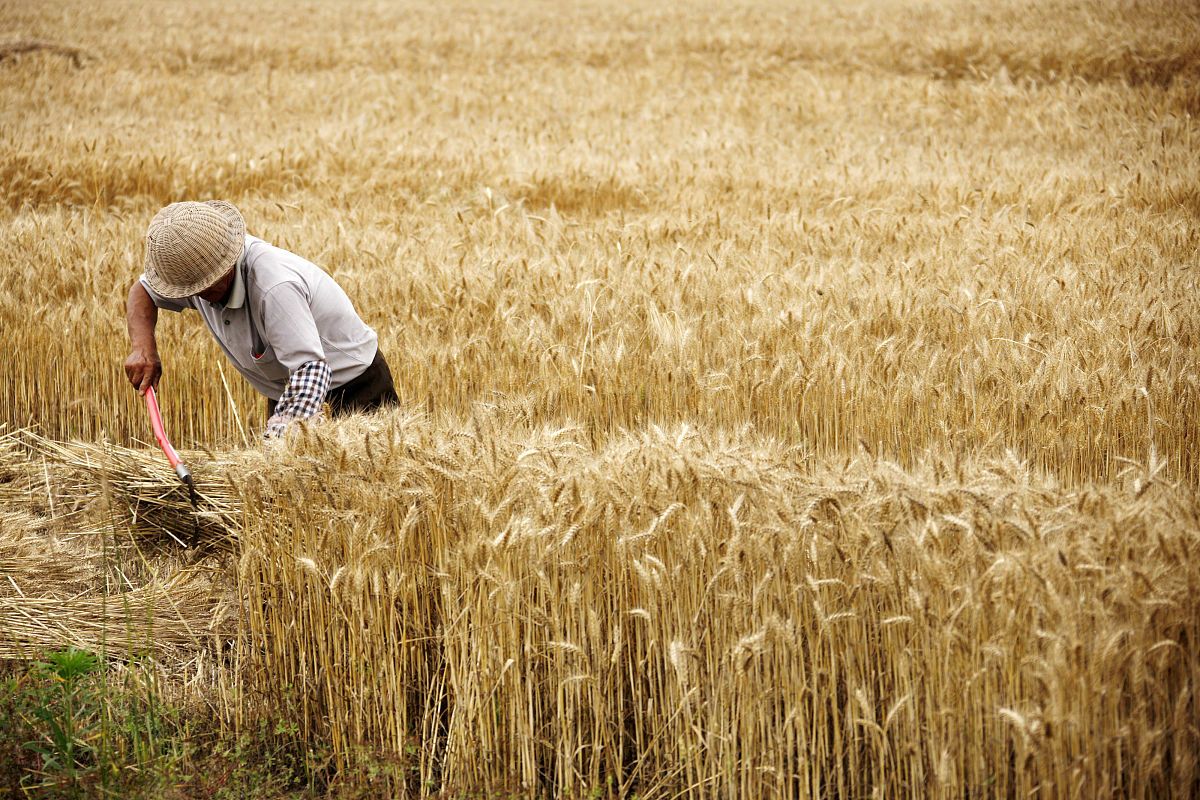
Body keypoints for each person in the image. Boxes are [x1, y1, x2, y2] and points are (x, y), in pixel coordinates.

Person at [124, 200, 397, 438]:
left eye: (203, 288)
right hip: (286, 390)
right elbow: (143, 290)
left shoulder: (274, 286)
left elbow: (311, 369)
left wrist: (277, 443)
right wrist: (142, 347)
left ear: (227, 266)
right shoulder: (191, 270)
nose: (198, 297)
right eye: (189, 291)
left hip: (354, 386)